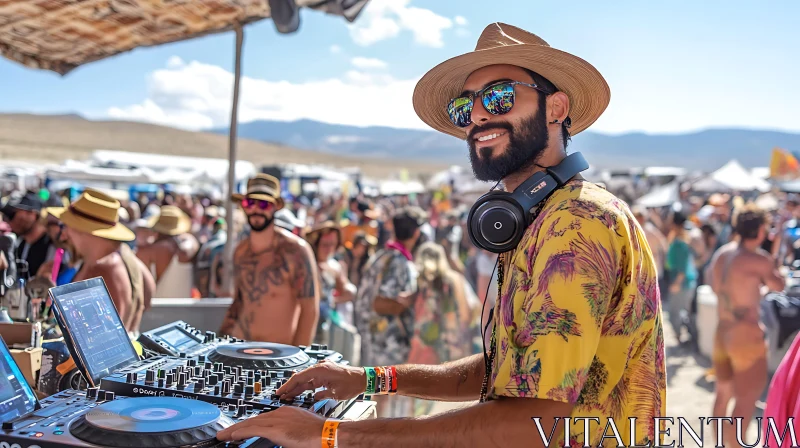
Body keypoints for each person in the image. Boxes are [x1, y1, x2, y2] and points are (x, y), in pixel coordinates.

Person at [217, 23, 664, 447]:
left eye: (500, 96)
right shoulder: (542, 218)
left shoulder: (577, 225)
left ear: (557, 108)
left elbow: (531, 424)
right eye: (465, 106)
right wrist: (368, 379)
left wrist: (331, 435)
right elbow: (502, 373)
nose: (479, 115)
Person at [706, 204, 785, 446]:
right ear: (761, 230)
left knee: (722, 396)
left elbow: (715, 286)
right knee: (746, 399)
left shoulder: (722, 255)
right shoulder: (759, 260)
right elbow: (779, 284)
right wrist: (775, 251)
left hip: (723, 332)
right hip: (746, 336)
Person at [219, 174, 320, 346]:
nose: (256, 210)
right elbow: (240, 301)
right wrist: (220, 340)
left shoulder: (296, 251)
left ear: (275, 208)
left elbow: (309, 310)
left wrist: (298, 358)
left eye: (264, 204)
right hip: (242, 350)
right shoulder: (240, 252)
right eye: (250, 203)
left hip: (280, 355)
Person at [47, 190, 155, 337]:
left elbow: (94, 338)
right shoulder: (122, 255)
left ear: (83, 230)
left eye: (66, 226)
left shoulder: (103, 269)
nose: (64, 235)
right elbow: (147, 296)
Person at [352, 205, 424, 417]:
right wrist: (410, 301)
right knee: (382, 395)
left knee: (376, 393)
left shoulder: (382, 255)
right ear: (417, 233)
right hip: (385, 343)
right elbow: (380, 303)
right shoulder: (397, 261)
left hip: (375, 339)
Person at [408, 241, 479, 416]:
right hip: (453, 346)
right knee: (450, 394)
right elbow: (470, 312)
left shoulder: (419, 281)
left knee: (418, 390)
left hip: (423, 346)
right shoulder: (456, 279)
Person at [305, 221, 357, 337]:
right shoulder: (305, 264)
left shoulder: (334, 267)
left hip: (324, 325)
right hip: (305, 322)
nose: (328, 249)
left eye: (332, 244)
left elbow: (347, 291)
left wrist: (334, 300)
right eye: (325, 244)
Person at [135, 205, 199, 298]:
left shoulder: (147, 251)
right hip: (184, 309)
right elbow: (189, 249)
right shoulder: (185, 246)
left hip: (154, 308)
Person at [0, 192, 56, 277]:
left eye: (12, 215)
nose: (8, 221)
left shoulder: (52, 247)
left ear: (32, 214)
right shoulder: (20, 244)